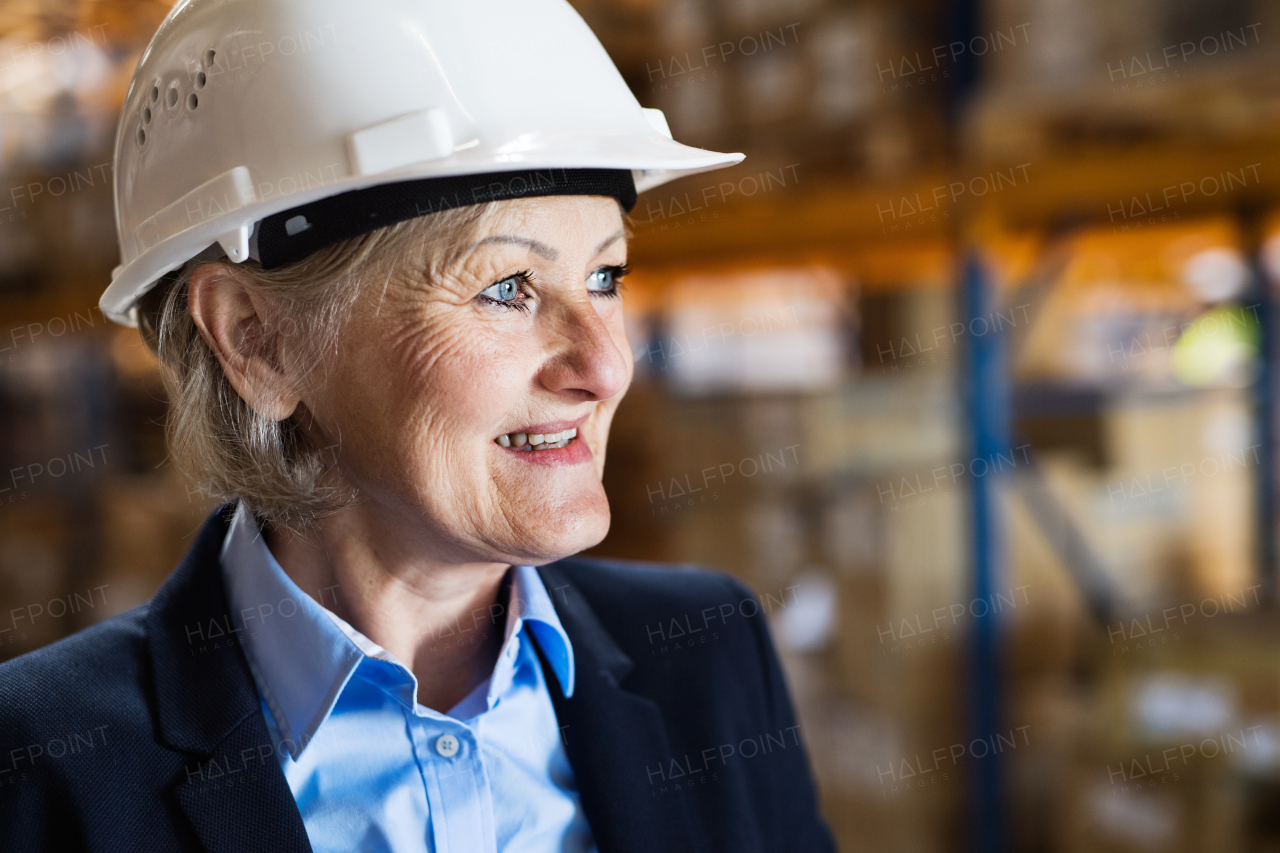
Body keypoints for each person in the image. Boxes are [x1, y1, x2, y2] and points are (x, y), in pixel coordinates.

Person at [0, 1, 835, 851]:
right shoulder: (43, 763)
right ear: (259, 341)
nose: (607, 367)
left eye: (606, 276)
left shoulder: (707, 658)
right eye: (506, 287)